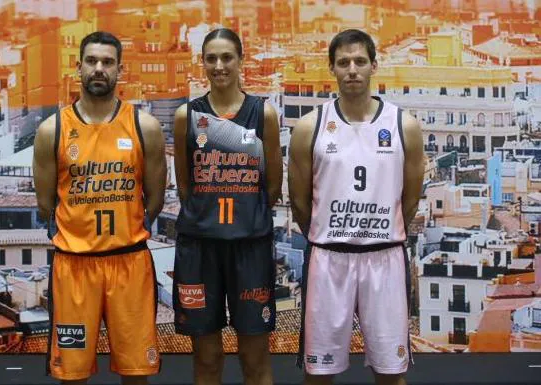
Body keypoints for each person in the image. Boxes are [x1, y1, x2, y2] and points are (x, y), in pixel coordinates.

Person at [288, 29, 424, 385]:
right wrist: (325, 233)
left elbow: (410, 197)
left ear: (374, 66)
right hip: (329, 259)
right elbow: (299, 201)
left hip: (384, 258)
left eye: (360, 61)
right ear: (331, 68)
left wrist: (386, 229)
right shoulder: (309, 127)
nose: (352, 70)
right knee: (318, 373)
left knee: (391, 373)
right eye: (344, 62)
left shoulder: (403, 126)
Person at [33, 31, 167, 385]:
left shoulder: (145, 126)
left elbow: (156, 199)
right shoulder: (52, 129)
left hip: (130, 264)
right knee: (72, 376)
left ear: (120, 70)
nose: (99, 69)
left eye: (107, 62)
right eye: (91, 61)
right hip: (74, 267)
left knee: (137, 374)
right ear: (78, 67)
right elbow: (46, 202)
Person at [172, 28, 282, 385]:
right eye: (211, 58)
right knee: (206, 357)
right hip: (201, 249)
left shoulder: (263, 113)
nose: (219, 66)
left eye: (227, 57)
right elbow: (186, 186)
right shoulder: (186, 116)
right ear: (202, 63)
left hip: (250, 246)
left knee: (254, 356)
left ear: (241, 61)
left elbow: (273, 186)